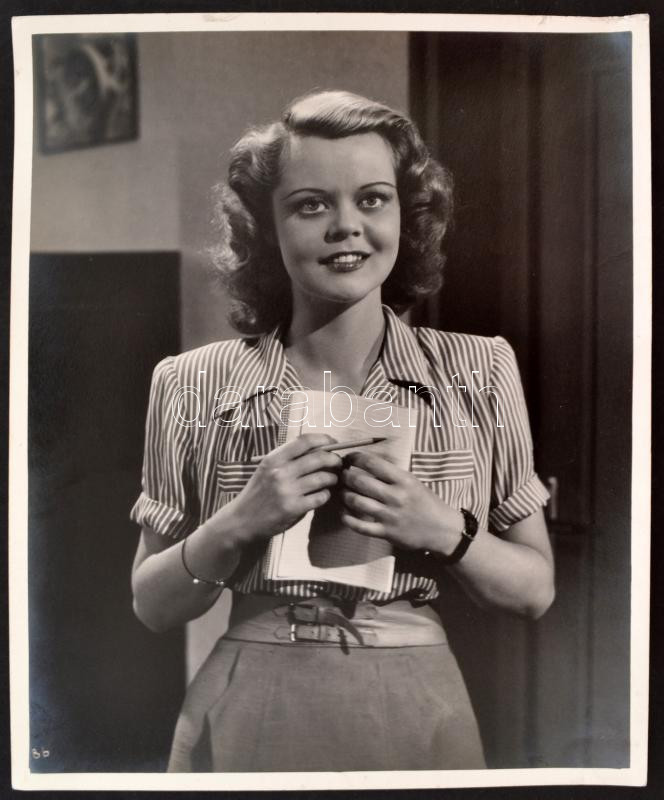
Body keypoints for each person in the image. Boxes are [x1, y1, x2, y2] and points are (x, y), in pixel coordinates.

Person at [130, 89, 555, 772]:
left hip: (420, 703)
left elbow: (535, 591)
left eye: (373, 199)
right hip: (248, 700)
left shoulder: (480, 370)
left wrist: (443, 529)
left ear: (405, 217)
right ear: (266, 228)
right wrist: (237, 523)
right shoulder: (189, 383)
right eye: (311, 205)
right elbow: (152, 605)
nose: (346, 226)